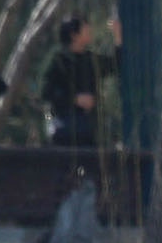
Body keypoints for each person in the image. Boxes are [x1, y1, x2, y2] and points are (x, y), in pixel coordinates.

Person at [43, 14, 117, 149]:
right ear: (74, 35)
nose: (89, 29)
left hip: (88, 128)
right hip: (63, 126)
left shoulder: (90, 60)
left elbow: (115, 65)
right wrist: (75, 99)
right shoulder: (58, 61)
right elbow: (46, 93)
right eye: (85, 26)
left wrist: (118, 36)